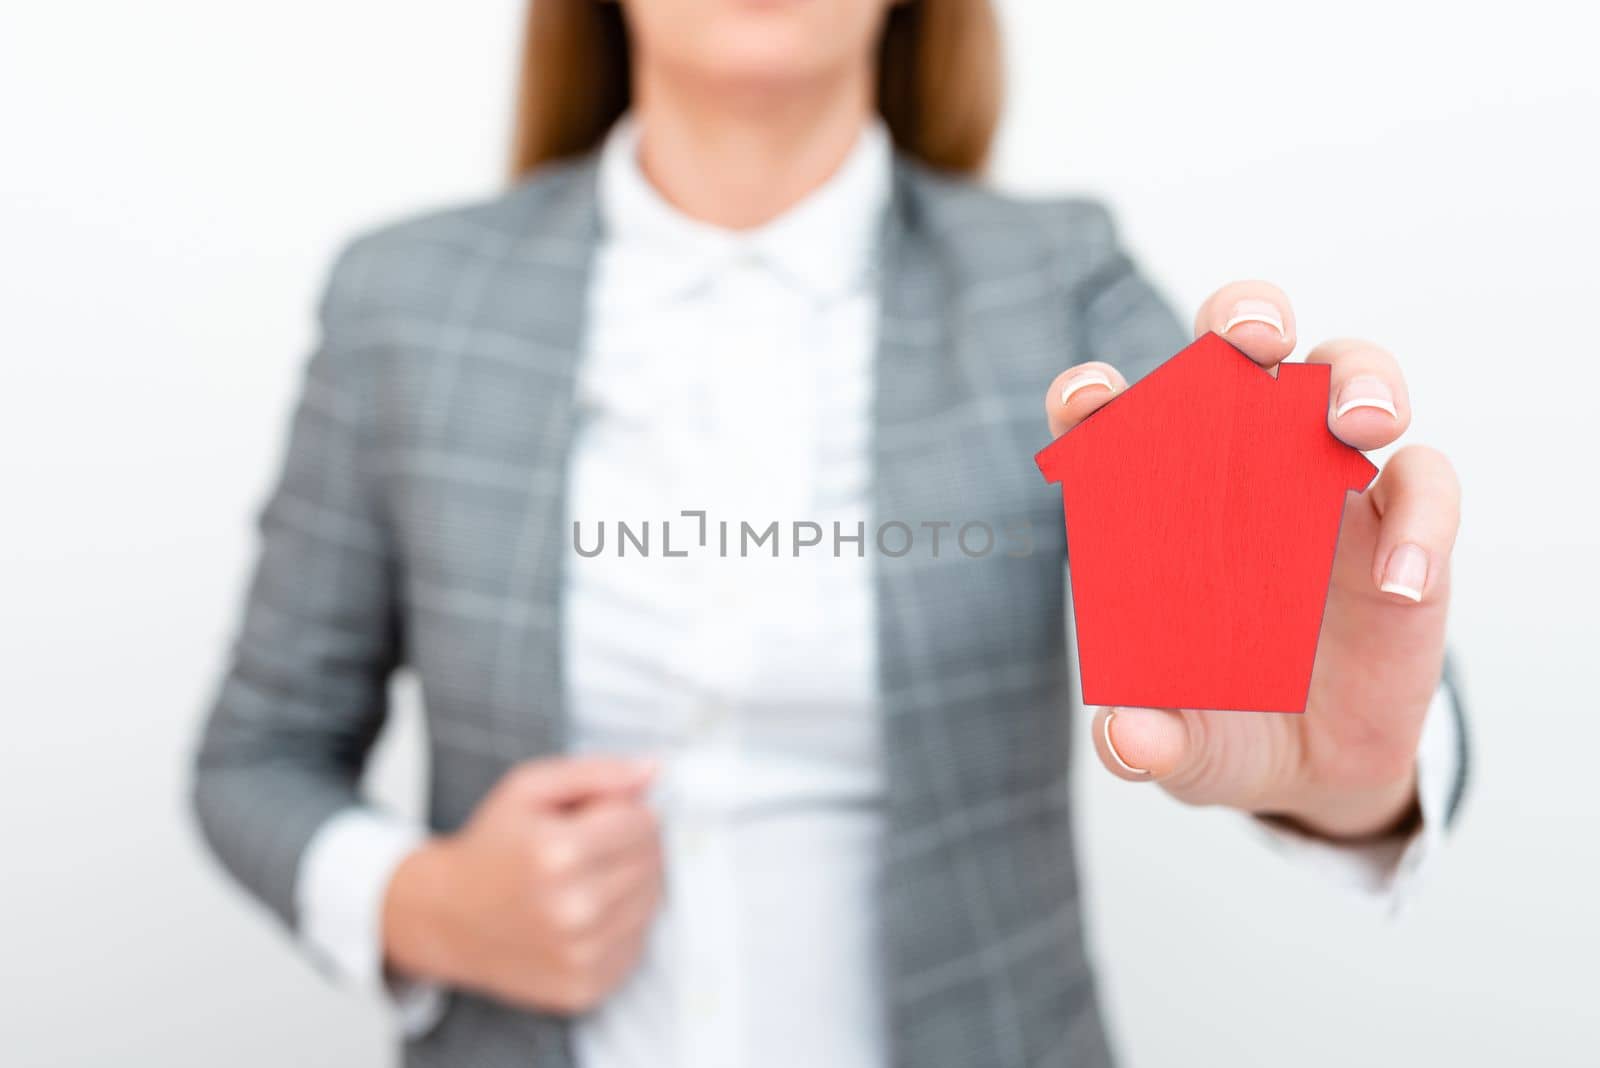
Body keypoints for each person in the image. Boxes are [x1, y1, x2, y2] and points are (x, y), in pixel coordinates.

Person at [192, 1, 1468, 1065]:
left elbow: (1316, 668)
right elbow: (255, 756)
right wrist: (422, 907)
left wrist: (1357, 779)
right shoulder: (402, 302)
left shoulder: (1060, 282)